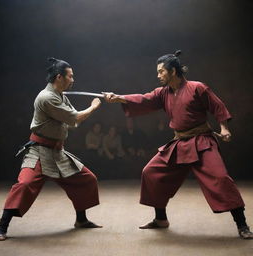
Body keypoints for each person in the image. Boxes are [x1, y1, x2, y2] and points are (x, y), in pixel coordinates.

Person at [103, 50, 253, 239]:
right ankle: (161, 219)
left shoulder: (197, 88)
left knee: (221, 179)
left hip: (202, 142)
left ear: (173, 71)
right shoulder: (163, 93)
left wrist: (224, 128)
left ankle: (242, 225)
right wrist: (118, 97)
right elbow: (144, 98)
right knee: (151, 173)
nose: (158, 76)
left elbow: (217, 107)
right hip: (179, 143)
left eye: (161, 72)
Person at [0, 57, 102, 241]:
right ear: (59, 77)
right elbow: (75, 118)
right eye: (71, 76)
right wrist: (94, 106)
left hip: (57, 152)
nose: (73, 80)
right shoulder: (46, 97)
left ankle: (81, 220)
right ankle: (1, 227)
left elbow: (70, 120)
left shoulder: (61, 96)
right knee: (25, 185)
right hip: (39, 151)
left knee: (86, 180)